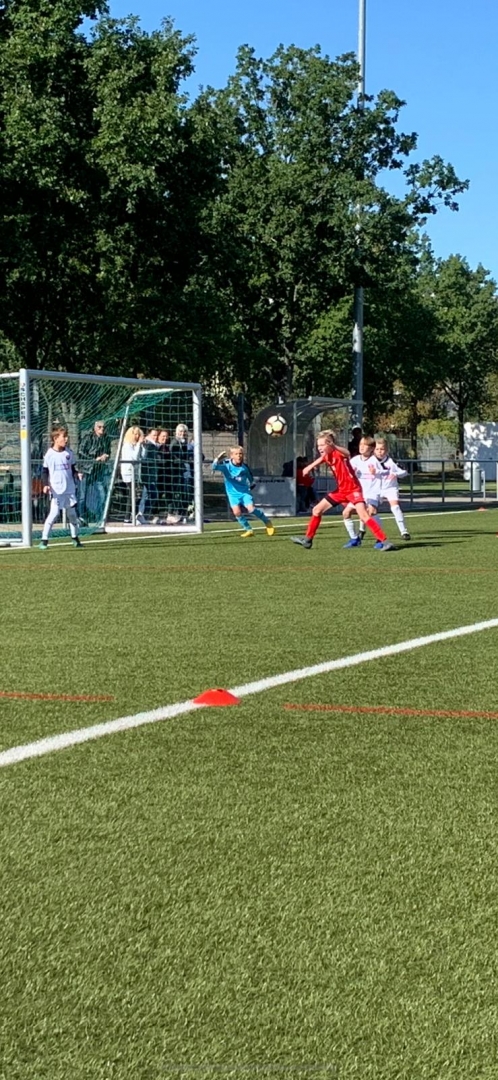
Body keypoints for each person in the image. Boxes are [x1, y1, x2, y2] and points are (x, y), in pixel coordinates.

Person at [291, 430, 394, 551]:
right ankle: (308, 540)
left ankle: (385, 541)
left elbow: (347, 453)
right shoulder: (327, 456)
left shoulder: (339, 453)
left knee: (364, 515)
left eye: (322, 445)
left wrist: (334, 446)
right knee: (317, 510)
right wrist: (309, 467)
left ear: (330, 444)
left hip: (353, 490)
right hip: (340, 491)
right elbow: (321, 459)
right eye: (318, 445)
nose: (319, 448)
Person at [212, 446, 276, 538]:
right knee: (237, 513)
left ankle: (267, 522)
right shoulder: (226, 466)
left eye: (240, 454)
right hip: (232, 495)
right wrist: (217, 459)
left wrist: (251, 485)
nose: (239, 456)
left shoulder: (244, 468)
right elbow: (214, 467)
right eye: (236, 454)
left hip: (244, 493)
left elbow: (251, 479)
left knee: (251, 509)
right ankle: (249, 530)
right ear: (232, 456)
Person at [38, 425, 83, 549]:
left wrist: (77, 474)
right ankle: (44, 540)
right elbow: (45, 471)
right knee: (54, 514)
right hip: (56, 490)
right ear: (56, 439)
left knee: (72, 515)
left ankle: (75, 538)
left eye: (67, 436)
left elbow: (72, 468)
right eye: (64, 437)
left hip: (69, 489)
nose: (66, 439)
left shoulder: (69, 453)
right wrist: (46, 485)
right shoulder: (49, 454)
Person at [357, 437, 410, 541]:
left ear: (386, 450)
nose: (379, 452)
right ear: (373, 450)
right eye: (377, 449)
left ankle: (404, 531)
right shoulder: (370, 461)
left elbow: (404, 472)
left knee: (395, 507)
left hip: (390, 488)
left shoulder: (391, 461)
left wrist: (395, 474)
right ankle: (362, 530)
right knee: (366, 510)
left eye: (382, 449)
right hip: (375, 489)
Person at [342, 436, 385, 547]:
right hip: (358, 493)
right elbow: (346, 473)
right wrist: (351, 473)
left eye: (365, 445)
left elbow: (385, 472)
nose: (362, 447)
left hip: (372, 492)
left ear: (371, 448)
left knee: (371, 512)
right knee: (346, 513)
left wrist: (376, 472)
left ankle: (380, 539)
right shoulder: (355, 460)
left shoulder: (375, 460)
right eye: (361, 444)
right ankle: (354, 539)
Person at [79, 420, 112, 523]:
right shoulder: (88, 437)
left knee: (102, 494)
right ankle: (81, 517)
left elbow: (108, 451)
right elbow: (80, 451)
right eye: (99, 427)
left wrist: (106, 456)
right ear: (95, 428)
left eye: (103, 427)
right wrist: (94, 459)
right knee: (82, 495)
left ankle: (99, 517)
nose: (102, 429)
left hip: (99, 470)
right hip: (86, 469)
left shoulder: (106, 439)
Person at [169, 423, 194, 521]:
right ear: (176, 432)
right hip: (177, 472)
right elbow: (173, 456)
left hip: (184, 472)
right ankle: (175, 513)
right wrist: (183, 461)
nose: (182, 433)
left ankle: (183, 513)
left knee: (186, 492)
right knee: (178, 493)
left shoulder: (184, 443)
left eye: (184, 432)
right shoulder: (175, 443)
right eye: (180, 431)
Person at [120, 425, 144, 524]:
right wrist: (138, 444)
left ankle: (132, 515)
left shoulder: (136, 445)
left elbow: (142, 456)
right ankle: (128, 517)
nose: (137, 436)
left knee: (135, 494)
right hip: (128, 472)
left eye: (138, 434)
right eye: (135, 434)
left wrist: (142, 446)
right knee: (133, 494)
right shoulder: (127, 445)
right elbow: (134, 457)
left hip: (135, 473)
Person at [138, 428, 161, 523]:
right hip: (146, 475)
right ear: (148, 435)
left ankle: (143, 515)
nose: (155, 437)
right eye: (154, 435)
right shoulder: (148, 444)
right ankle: (140, 515)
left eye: (156, 435)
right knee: (150, 495)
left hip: (151, 475)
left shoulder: (153, 445)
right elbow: (144, 459)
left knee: (149, 495)